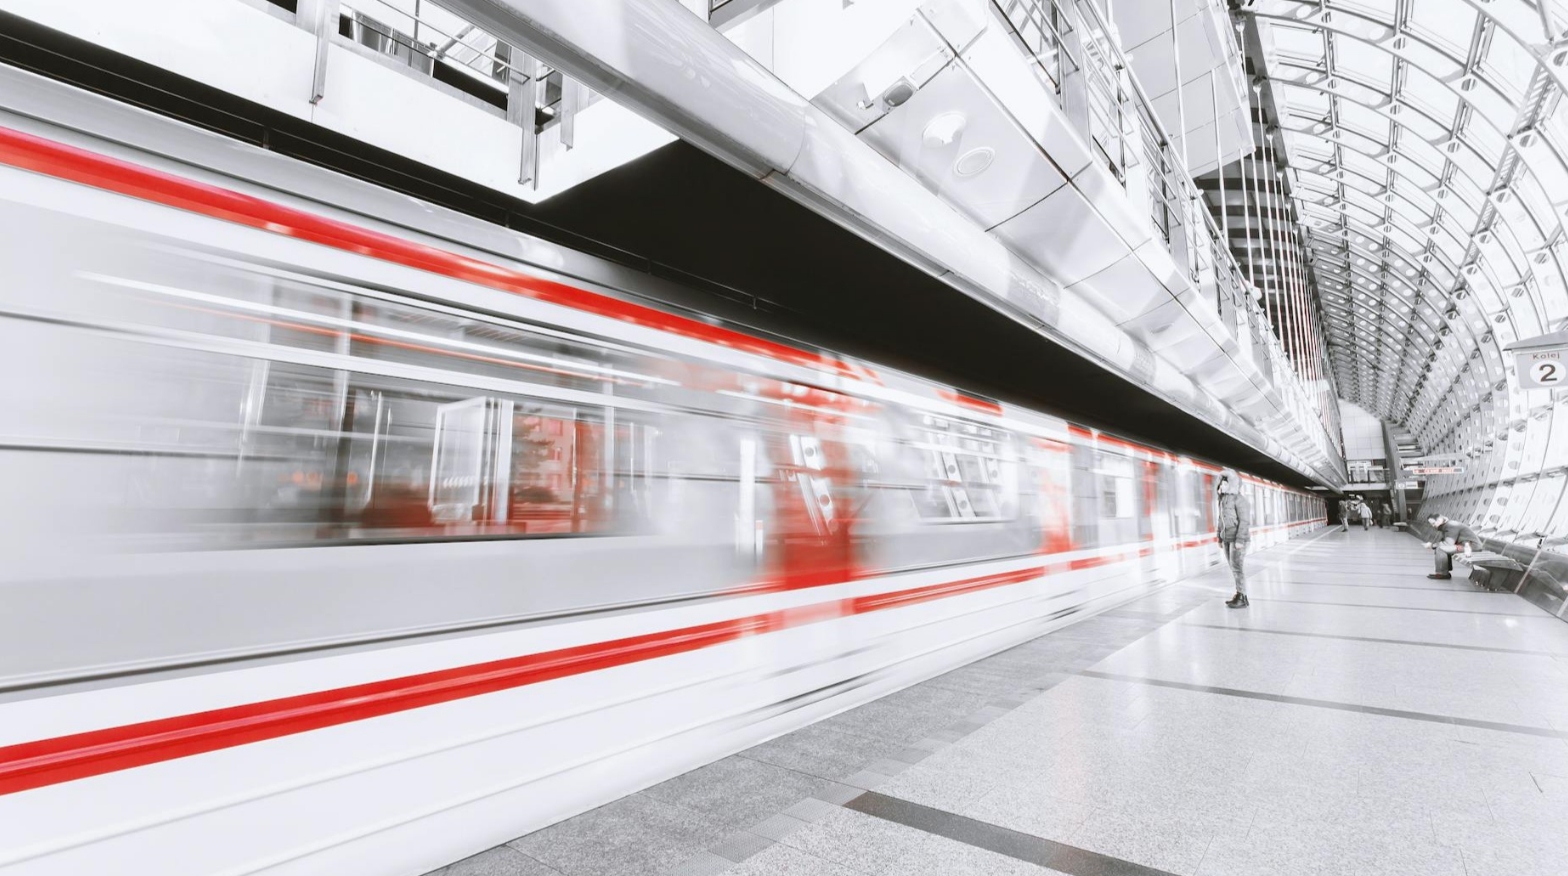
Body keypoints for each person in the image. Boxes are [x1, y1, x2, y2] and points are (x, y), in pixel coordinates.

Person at [1216, 468, 1251, 608]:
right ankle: (1240, 595)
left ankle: (1241, 596)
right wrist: (1219, 538)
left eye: (1225, 483)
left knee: (1237, 568)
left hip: (1237, 540)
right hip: (1227, 539)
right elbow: (1220, 520)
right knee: (1233, 568)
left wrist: (1240, 540)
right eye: (1221, 483)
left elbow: (1244, 521)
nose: (1222, 485)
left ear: (1231, 484)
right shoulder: (1222, 500)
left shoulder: (1239, 500)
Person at [1423, 513, 1480, 580]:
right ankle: (1444, 572)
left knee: (1441, 548)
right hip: (1465, 545)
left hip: (1471, 546)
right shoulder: (1447, 525)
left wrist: (1432, 545)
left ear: (1439, 520)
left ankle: (1442, 574)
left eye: (1433, 523)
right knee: (1442, 548)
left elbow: (1448, 543)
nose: (1433, 526)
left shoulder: (1451, 526)